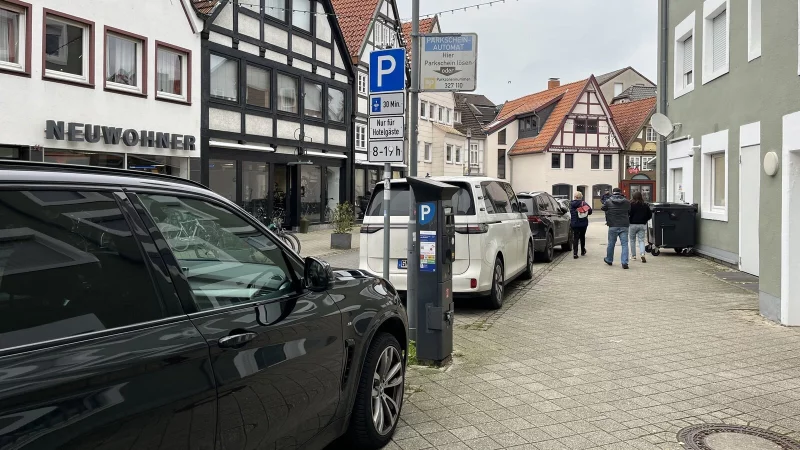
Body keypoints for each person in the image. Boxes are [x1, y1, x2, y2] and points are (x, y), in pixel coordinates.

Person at [601, 187, 631, 269]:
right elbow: (629, 210)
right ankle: (624, 262)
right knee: (624, 244)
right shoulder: (627, 201)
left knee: (611, 243)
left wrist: (608, 211)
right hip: (624, 225)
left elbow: (603, 208)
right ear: (620, 193)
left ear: (613, 192)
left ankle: (609, 260)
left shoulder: (608, 201)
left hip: (613, 225)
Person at [629, 191, 652, 263]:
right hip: (642, 224)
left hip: (632, 224)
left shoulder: (631, 204)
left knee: (632, 240)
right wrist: (645, 220)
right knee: (641, 240)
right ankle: (642, 254)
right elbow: (650, 215)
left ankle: (633, 256)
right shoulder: (645, 205)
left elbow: (628, 214)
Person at [569, 191, 592, 259]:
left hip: (574, 223)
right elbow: (590, 211)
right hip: (583, 223)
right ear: (581, 196)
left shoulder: (571, 204)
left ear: (575, 196)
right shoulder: (584, 203)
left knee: (575, 237)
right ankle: (582, 250)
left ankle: (575, 253)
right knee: (582, 236)